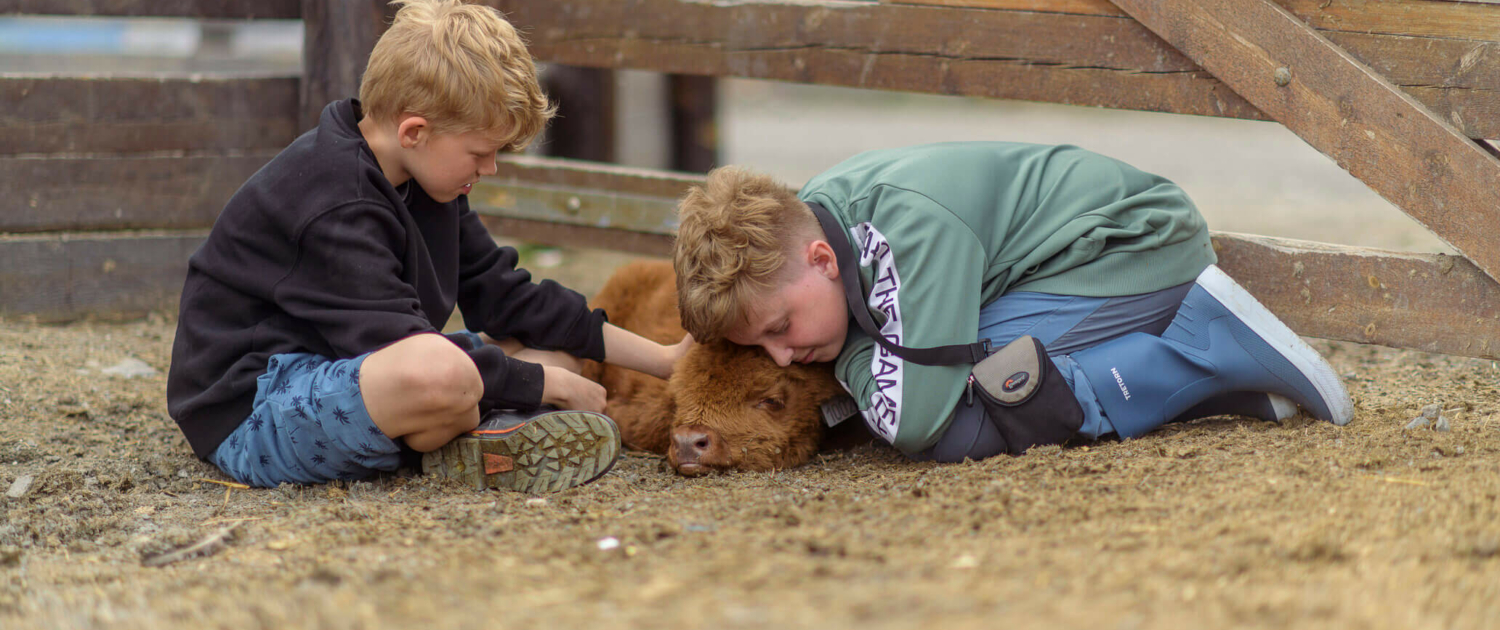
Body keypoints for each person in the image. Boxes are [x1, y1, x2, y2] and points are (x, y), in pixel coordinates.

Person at [167, 0, 689, 491]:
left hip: (357, 374)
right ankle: (488, 426)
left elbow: (507, 297)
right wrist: (538, 385)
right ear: (415, 131)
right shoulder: (333, 200)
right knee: (448, 374)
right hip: (255, 410)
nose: (490, 169)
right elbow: (400, 346)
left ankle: (483, 432)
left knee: (554, 355)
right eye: (480, 152)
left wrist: (665, 359)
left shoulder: (427, 179)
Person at [672, 141, 1352, 462]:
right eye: (759, 347)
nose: (784, 356)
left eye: (780, 328)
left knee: (968, 417)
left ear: (820, 260)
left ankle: (1207, 348)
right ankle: (1220, 391)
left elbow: (913, 419)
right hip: (1064, 272)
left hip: (1130, 252)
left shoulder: (901, 229)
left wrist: (854, 352)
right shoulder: (812, 229)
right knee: (957, 387)